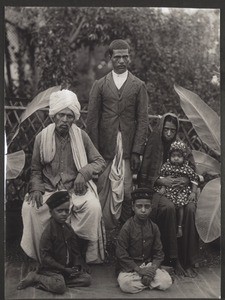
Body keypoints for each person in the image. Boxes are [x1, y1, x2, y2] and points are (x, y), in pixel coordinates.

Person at [21, 89, 106, 264]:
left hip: (75, 190)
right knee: (30, 208)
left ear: (74, 118)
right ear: (53, 116)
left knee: (94, 208)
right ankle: (42, 257)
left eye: (69, 116)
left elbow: (99, 161)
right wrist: (36, 188)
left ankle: (79, 255)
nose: (65, 120)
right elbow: (35, 170)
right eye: (61, 115)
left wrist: (84, 173)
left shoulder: (81, 136)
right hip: (49, 189)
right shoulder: (41, 138)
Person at [86, 39, 149, 229]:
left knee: (127, 191)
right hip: (105, 147)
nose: (122, 60)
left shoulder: (138, 85)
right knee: (103, 187)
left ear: (129, 58)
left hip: (128, 147)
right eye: (117, 57)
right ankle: (102, 231)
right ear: (110, 58)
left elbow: (143, 120)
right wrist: (94, 151)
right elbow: (92, 120)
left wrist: (137, 150)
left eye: (125, 56)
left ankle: (127, 232)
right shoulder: (100, 84)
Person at [138, 113, 199, 277]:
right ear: (161, 128)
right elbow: (145, 173)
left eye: (173, 130)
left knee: (191, 209)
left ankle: (189, 260)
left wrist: (186, 181)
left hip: (183, 191)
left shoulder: (181, 146)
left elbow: (193, 171)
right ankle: (172, 259)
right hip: (158, 191)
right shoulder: (153, 143)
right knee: (169, 208)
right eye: (166, 129)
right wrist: (160, 180)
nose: (169, 133)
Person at [18, 191, 91, 294]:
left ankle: (59, 281)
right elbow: (45, 258)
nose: (64, 214)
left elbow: (75, 251)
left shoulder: (68, 228)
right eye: (60, 211)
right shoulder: (48, 232)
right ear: (51, 212)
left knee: (87, 279)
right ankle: (37, 277)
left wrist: (77, 264)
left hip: (66, 269)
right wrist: (63, 269)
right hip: (52, 269)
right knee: (59, 287)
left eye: (66, 211)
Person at [116, 188, 172, 294]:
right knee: (126, 285)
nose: (143, 210)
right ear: (133, 207)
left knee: (166, 282)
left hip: (148, 266)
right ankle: (149, 282)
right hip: (132, 269)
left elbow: (158, 253)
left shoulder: (154, 227)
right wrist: (139, 270)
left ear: (151, 208)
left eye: (147, 207)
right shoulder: (127, 227)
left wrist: (152, 269)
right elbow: (121, 254)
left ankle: (146, 280)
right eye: (139, 206)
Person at [156, 140, 199, 238]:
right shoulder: (166, 166)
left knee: (180, 206)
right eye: (173, 156)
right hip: (169, 190)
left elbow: (194, 179)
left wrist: (193, 192)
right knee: (168, 206)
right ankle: (168, 229)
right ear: (169, 156)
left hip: (181, 192)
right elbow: (162, 176)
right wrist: (162, 186)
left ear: (183, 157)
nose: (176, 158)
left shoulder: (186, 168)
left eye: (179, 156)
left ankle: (179, 226)